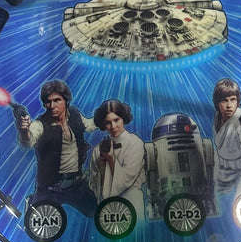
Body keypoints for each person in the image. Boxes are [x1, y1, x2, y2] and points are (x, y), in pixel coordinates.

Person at [15, 79, 97, 217]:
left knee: (98, 213)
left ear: (66, 100)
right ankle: (33, 202)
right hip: (49, 188)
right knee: (35, 221)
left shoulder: (74, 115)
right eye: (48, 102)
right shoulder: (40, 124)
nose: (52, 105)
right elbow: (28, 140)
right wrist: (24, 131)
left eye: (57, 100)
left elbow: (88, 125)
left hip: (76, 184)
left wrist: (105, 115)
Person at [89, 99, 146, 218]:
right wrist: (102, 163)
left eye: (116, 120)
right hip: (107, 207)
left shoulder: (135, 143)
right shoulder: (97, 150)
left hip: (131, 202)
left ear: (123, 118)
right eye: (108, 122)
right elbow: (94, 183)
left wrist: (111, 159)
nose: (113, 126)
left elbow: (126, 178)